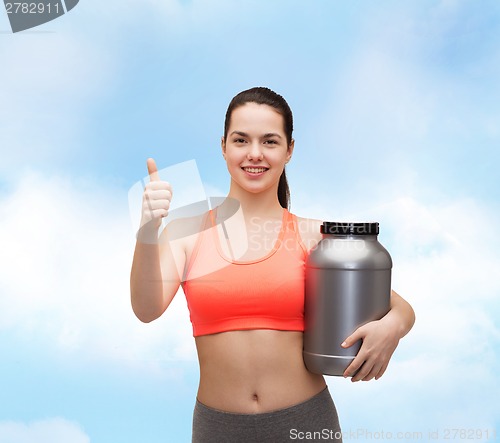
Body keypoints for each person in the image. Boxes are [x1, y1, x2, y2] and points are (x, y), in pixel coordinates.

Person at [130, 87, 416, 442]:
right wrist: (148, 228)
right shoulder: (185, 233)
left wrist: (393, 328)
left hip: (306, 422)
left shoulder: (314, 237)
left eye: (269, 141)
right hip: (218, 429)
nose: (254, 154)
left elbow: (397, 306)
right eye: (240, 140)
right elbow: (146, 308)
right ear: (223, 147)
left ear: (289, 150)